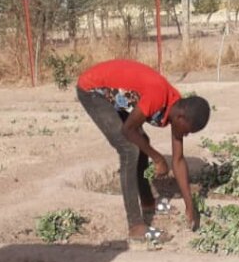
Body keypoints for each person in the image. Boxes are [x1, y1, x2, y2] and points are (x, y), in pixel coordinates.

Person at [76, 59, 210, 246]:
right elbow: (128, 130)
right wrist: (157, 158)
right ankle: (135, 226)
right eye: (187, 130)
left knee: (142, 141)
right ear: (181, 117)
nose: (186, 134)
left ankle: (148, 203)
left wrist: (190, 205)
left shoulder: (177, 106)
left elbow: (178, 160)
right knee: (129, 149)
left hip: (119, 95)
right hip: (93, 90)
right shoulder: (158, 97)